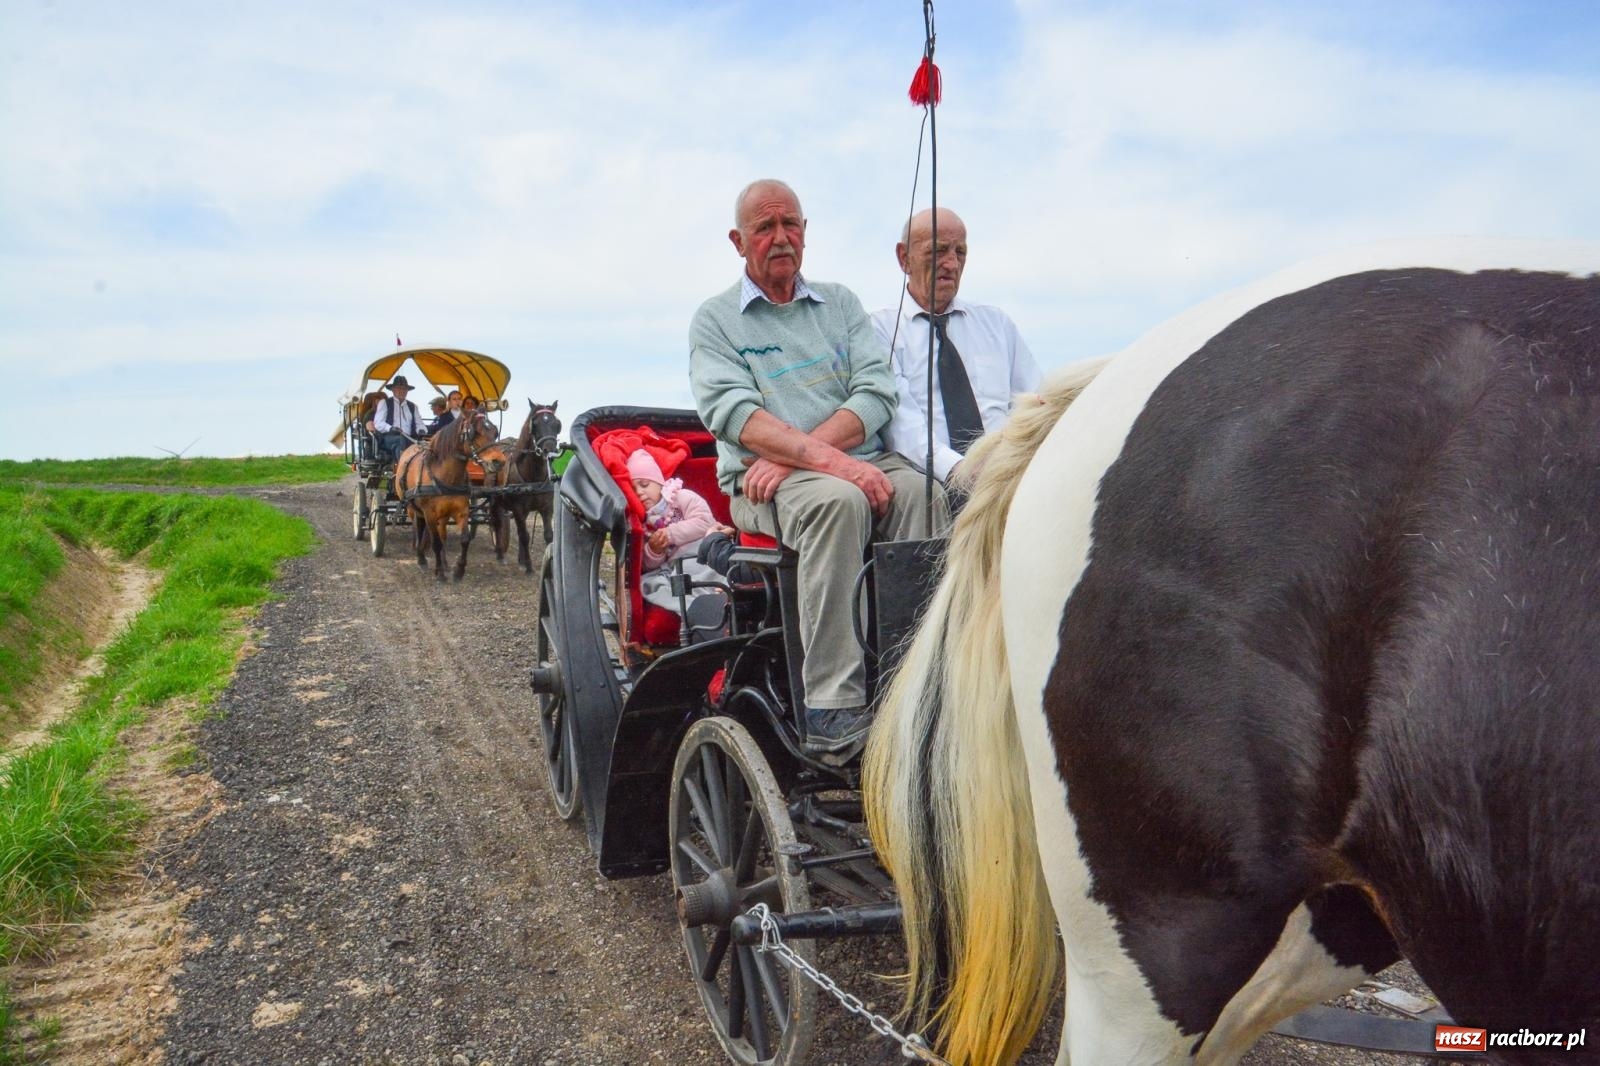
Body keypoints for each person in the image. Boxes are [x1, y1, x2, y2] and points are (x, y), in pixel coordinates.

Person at [690, 179, 945, 760]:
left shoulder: (841, 304)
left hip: (825, 463)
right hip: (759, 482)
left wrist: (805, 454)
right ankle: (832, 703)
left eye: (791, 225)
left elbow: (877, 395)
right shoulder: (716, 320)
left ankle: (913, 680)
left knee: (927, 495)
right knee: (838, 503)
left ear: (805, 232)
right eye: (765, 227)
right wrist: (825, 464)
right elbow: (735, 415)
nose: (780, 238)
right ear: (739, 241)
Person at [873, 207, 1042, 489]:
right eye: (938, 251)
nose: (951, 264)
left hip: (1007, 479)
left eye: (960, 252)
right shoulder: (881, 330)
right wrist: (959, 469)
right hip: (932, 485)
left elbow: (1033, 401)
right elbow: (901, 424)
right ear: (904, 258)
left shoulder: (996, 324)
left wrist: (1011, 463)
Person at [628, 450, 732, 639]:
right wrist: (654, 550)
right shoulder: (642, 522)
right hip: (677, 566)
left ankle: (721, 595)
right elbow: (647, 564)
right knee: (662, 582)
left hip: (703, 551)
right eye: (634, 490)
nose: (640, 493)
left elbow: (704, 522)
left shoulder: (681, 497)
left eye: (644, 485)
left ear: (659, 482)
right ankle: (699, 611)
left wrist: (670, 534)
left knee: (714, 568)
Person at [367, 375, 425, 463]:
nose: (401, 391)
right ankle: (402, 469)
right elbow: (378, 423)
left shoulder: (413, 406)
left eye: (404, 389)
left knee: (424, 444)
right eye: (398, 388)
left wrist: (421, 430)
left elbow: (419, 423)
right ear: (393, 390)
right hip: (389, 438)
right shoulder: (385, 403)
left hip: (410, 438)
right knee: (400, 440)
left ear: (407, 391)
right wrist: (390, 428)